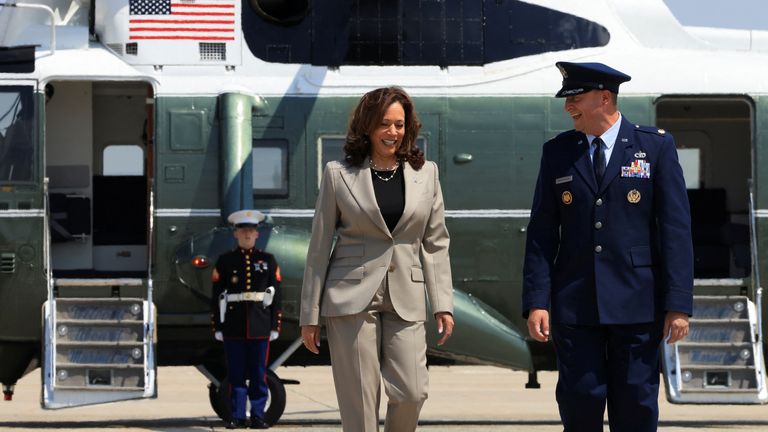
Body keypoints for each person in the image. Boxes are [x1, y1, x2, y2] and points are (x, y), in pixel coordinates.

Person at [522, 62, 694, 432]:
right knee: (579, 399)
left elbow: (675, 231)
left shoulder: (654, 147)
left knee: (635, 401)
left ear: (605, 98)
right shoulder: (557, 152)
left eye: (576, 98)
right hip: (576, 302)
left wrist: (677, 304)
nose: (568, 107)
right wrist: (537, 300)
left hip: (637, 303)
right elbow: (542, 232)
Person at [299, 86, 454, 432]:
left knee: (413, 390)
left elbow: (435, 242)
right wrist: (309, 314)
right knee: (360, 401)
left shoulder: (426, 173)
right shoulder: (338, 174)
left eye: (400, 125)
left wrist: (443, 302)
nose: (393, 133)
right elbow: (319, 246)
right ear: (368, 126)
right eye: (385, 124)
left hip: (407, 294)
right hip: (350, 295)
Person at [211, 209, 282, 429]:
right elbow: (217, 296)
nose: (247, 235)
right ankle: (237, 416)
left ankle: (258, 416)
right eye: (243, 231)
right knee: (236, 376)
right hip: (233, 326)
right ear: (236, 234)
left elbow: (276, 295)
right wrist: (218, 326)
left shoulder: (268, 260)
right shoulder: (225, 261)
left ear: (257, 234)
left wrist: (274, 325)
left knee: (258, 375)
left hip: (260, 325)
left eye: (251, 231)